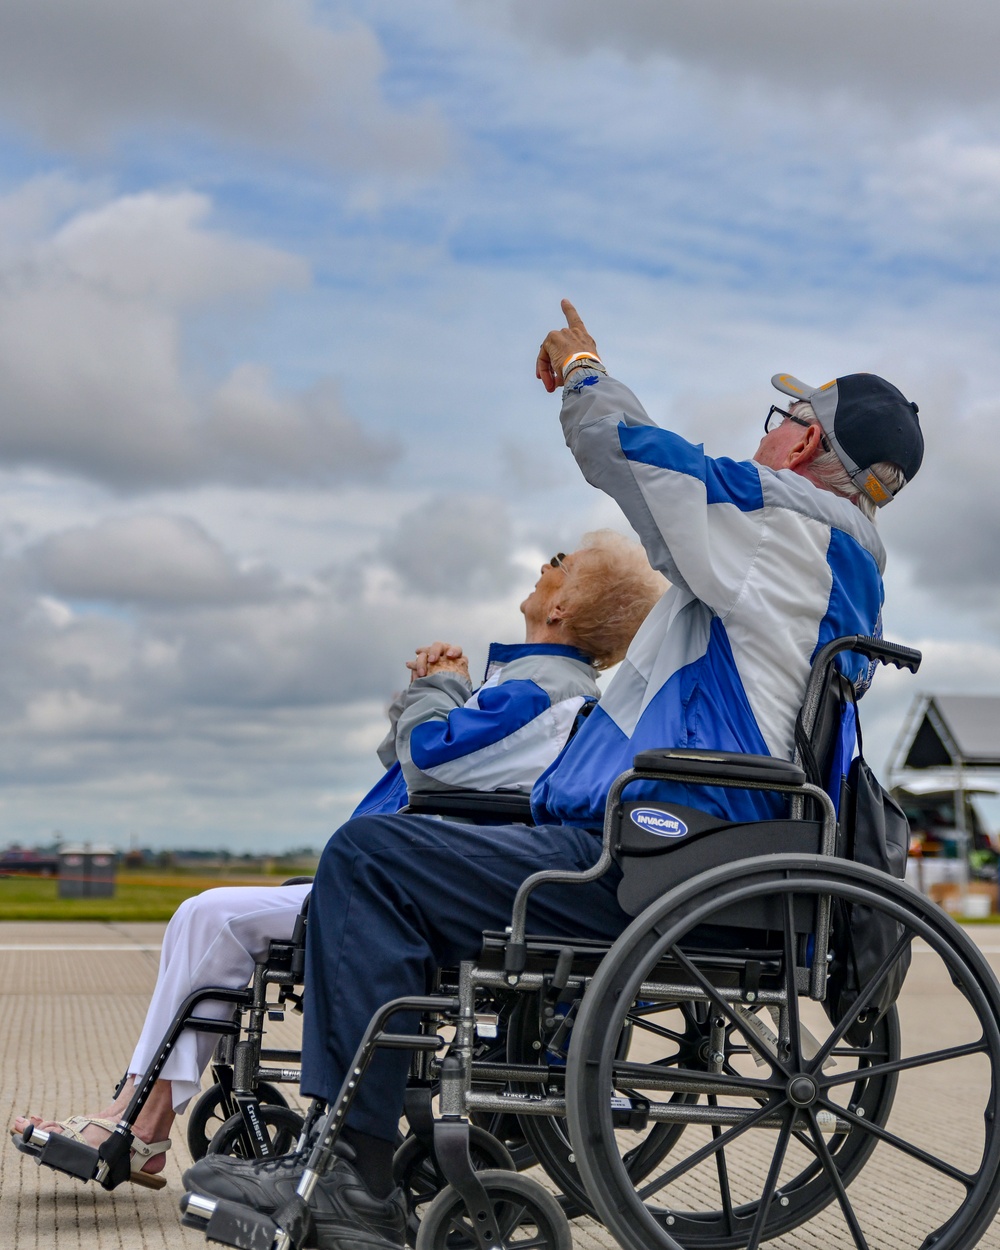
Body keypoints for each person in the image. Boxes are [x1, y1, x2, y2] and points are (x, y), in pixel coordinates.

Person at [182, 301, 923, 1250]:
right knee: (394, 858)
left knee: (369, 858)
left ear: (806, 438)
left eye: (781, 417)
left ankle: (351, 1175)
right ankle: (346, 1149)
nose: (766, 429)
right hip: (686, 846)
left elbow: (637, 453)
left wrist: (582, 371)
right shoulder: (817, 553)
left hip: (659, 858)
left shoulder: (780, 524)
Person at [11, 530, 665, 1188]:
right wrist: (428, 692)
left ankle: (137, 1122)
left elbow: (431, 761)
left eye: (559, 562)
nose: (543, 565)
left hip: (402, 878)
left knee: (209, 916)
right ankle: (140, 1116)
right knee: (206, 915)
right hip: (415, 862)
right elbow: (414, 758)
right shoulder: (532, 687)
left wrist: (437, 690)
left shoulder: (538, 691)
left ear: (565, 605)